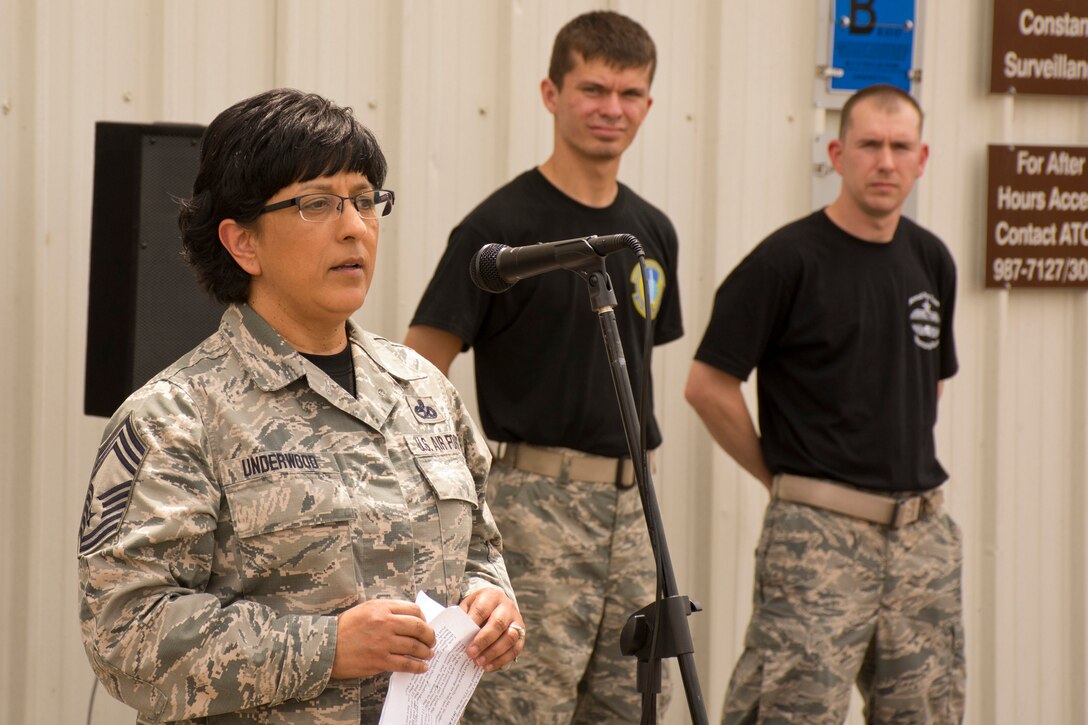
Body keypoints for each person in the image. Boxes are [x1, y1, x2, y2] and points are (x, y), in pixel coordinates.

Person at [76, 88, 524, 724]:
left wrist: (491, 600)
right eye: (317, 204)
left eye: (366, 201)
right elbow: (126, 636)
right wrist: (326, 647)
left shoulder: (422, 390)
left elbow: (480, 544)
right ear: (243, 243)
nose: (354, 226)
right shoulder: (177, 414)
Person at [404, 10, 682, 724]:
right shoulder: (500, 228)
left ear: (648, 104)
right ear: (550, 93)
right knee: (521, 709)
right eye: (592, 88)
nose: (610, 109)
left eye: (629, 94)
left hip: (634, 510)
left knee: (633, 706)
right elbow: (418, 369)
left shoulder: (649, 232)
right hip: (534, 511)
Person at [685, 84, 964, 724]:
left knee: (928, 712)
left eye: (901, 147)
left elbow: (930, 383)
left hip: (924, 539)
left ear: (922, 160)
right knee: (791, 711)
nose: (885, 162)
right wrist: (780, 478)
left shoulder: (931, 259)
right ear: (837, 154)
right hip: (818, 539)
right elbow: (707, 385)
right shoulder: (786, 261)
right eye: (869, 145)